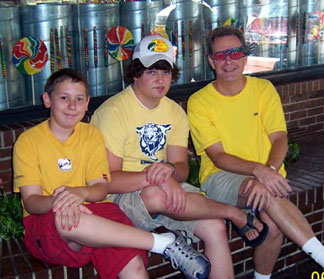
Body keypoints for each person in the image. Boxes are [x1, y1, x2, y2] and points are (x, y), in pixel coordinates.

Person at [91, 35, 269, 279]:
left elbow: (182, 168)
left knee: (214, 227)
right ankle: (233, 213)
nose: (160, 79)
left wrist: (169, 172)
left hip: (166, 193)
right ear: (135, 74)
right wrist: (159, 179)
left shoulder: (174, 111)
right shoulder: (113, 112)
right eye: (151, 72)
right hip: (122, 200)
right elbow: (108, 180)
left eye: (165, 72)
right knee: (156, 193)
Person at [13, 68, 212, 279]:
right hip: (48, 222)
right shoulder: (28, 142)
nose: (72, 106)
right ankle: (162, 243)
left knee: (134, 265)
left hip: (98, 216)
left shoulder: (91, 135)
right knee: (72, 218)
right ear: (47, 100)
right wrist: (62, 201)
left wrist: (80, 193)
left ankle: (162, 243)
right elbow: (32, 202)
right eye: (64, 98)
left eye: (79, 99)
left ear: (87, 102)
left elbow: (100, 189)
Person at [187, 25, 324, 279]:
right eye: (220, 55)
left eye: (235, 53)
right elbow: (218, 157)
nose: (228, 61)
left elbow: (280, 138)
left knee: (272, 227)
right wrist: (260, 172)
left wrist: (269, 171)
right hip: (219, 177)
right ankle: (320, 255)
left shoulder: (263, 90)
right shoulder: (199, 101)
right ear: (210, 61)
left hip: (265, 176)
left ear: (245, 57)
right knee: (264, 193)